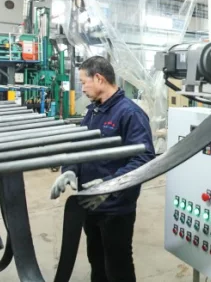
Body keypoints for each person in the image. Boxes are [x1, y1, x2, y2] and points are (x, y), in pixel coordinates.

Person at [50, 56, 155, 282]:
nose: (82, 88)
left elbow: (145, 158)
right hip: (90, 204)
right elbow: (80, 146)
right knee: (96, 261)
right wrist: (69, 169)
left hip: (115, 209)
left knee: (118, 265)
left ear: (98, 78)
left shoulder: (130, 114)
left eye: (83, 81)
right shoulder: (94, 111)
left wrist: (110, 186)